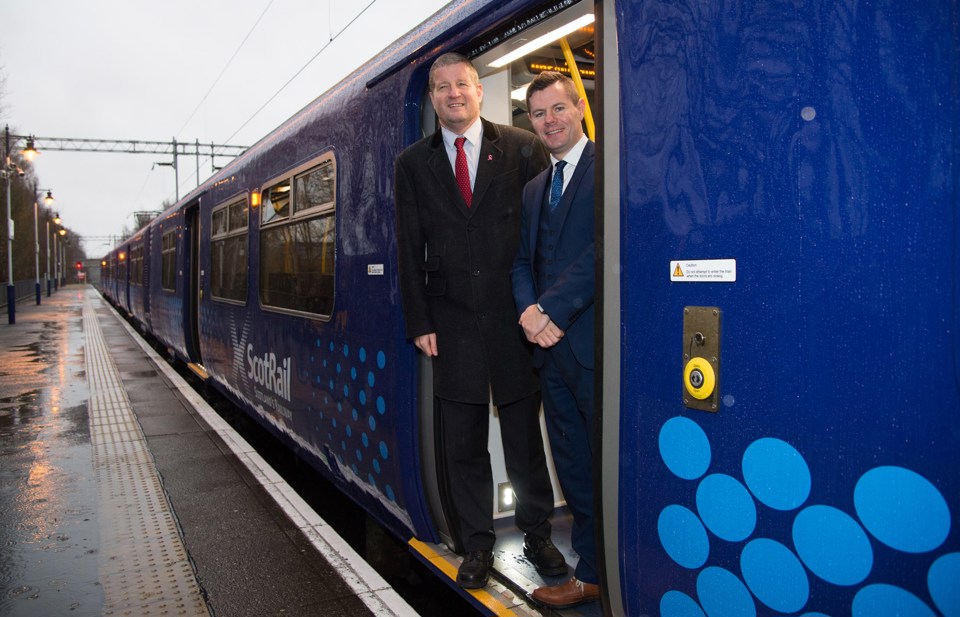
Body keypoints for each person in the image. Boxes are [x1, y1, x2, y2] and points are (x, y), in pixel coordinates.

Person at [393, 52, 565, 590]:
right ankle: (477, 544)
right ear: (432, 99)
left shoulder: (520, 147)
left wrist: (543, 305)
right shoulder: (411, 164)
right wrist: (419, 319)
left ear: (479, 90)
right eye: (441, 88)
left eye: (460, 84)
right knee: (463, 443)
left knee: (522, 440)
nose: (452, 94)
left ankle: (536, 535)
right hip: (450, 323)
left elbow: (548, 237)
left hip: (517, 319)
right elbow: (407, 245)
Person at [510, 71, 598, 609]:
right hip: (549, 352)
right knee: (574, 468)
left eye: (558, 109)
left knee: (606, 461)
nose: (550, 121)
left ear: (580, 107)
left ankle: (622, 565)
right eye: (539, 114)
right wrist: (527, 312)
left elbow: (605, 248)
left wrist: (549, 309)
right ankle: (591, 572)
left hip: (595, 350)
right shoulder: (534, 189)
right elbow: (523, 260)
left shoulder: (610, 168)